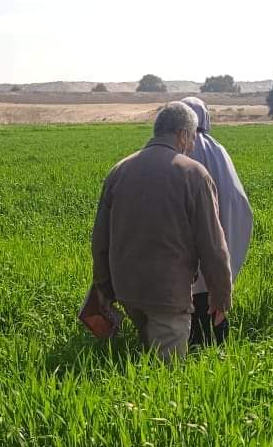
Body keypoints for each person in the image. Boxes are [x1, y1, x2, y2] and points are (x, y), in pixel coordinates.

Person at [91, 101, 232, 361]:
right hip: (168, 293)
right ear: (183, 135)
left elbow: (100, 240)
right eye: (192, 139)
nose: (192, 146)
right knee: (167, 374)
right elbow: (213, 245)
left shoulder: (119, 170)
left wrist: (103, 290)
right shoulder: (194, 175)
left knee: (146, 359)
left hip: (128, 290)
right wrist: (221, 296)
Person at [181, 97, 253, 346]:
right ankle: (218, 351)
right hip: (218, 241)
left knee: (191, 306)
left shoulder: (180, 148)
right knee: (213, 299)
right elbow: (236, 199)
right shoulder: (218, 150)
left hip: (187, 250)